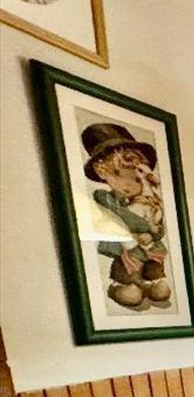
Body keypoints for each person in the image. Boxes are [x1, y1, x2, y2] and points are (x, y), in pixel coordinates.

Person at [80, 123, 171, 310]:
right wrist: (134, 237)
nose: (129, 184)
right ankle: (125, 287)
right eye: (118, 174)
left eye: (136, 178)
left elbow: (158, 227)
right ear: (102, 173)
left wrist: (152, 233)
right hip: (127, 251)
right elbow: (114, 223)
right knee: (129, 284)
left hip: (149, 250)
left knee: (156, 276)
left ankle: (153, 282)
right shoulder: (107, 200)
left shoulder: (146, 201)